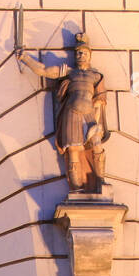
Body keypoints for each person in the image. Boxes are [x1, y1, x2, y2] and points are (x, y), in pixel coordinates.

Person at [17, 32, 109, 193]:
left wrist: (97, 122)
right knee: (73, 149)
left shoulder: (96, 76)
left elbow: (100, 101)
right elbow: (44, 70)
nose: (81, 55)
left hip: (89, 115)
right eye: (78, 53)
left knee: (96, 144)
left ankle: (101, 181)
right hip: (72, 114)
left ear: (89, 56)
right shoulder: (69, 72)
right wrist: (25, 58)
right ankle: (77, 189)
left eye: (84, 53)